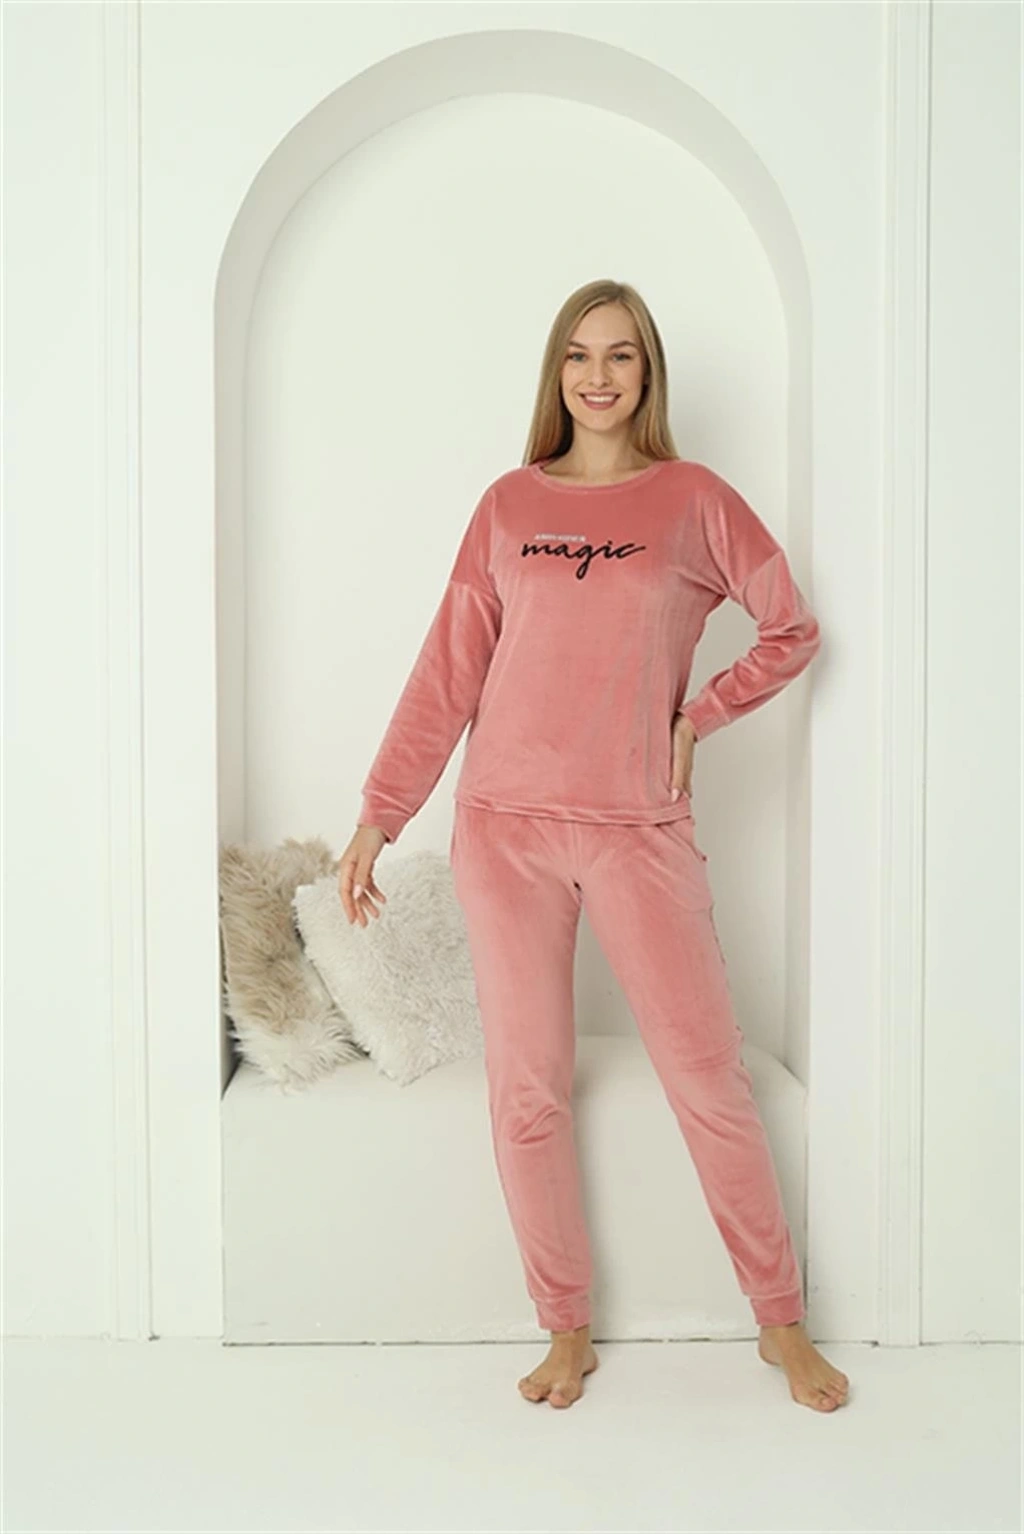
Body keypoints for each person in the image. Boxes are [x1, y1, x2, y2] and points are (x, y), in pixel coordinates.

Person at [337, 279, 850, 1414]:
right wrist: (382, 812)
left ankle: (780, 1323)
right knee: (527, 1089)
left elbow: (791, 626)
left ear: (647, 372)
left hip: (636, 829)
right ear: (556, 373)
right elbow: (448, 670)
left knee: (706, 1077)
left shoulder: (693, 499)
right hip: (504, 831)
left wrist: (699, 714)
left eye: (620, 354)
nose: (598, 375)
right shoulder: (508, 505)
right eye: (578, 355)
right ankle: (563, 1325)